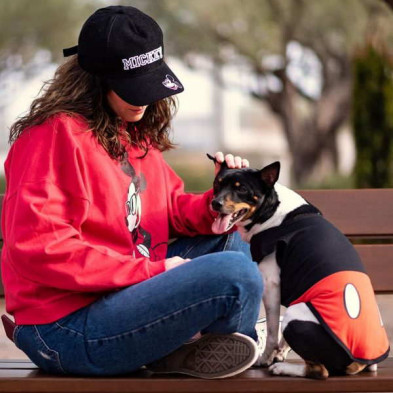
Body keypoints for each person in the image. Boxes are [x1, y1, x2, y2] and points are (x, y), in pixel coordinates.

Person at [1, 6, 263, 378]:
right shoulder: (51, 136)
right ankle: (217, 352)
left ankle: (201, 352)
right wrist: (150, 272)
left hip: (116, 298)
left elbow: (166, 210)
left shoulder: (131, 132)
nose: (142, 100)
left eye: (149, 84)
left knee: (232, 244)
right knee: (236, 274)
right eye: (131, 87)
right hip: (65, 327)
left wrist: (219, 203)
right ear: (94, 80)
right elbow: (40, 250)